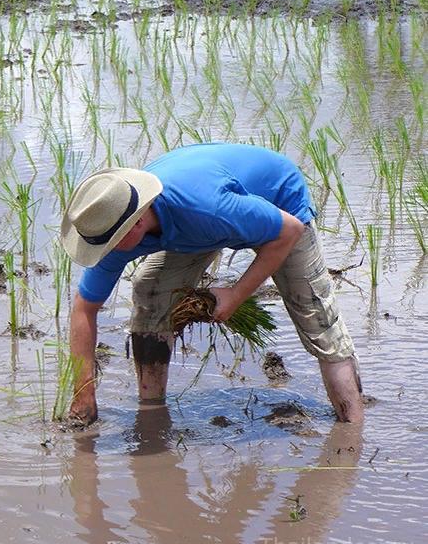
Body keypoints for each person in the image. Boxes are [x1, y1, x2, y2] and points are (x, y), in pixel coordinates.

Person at [60, 142, 364, 424]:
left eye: (110, 244)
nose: (104, 253)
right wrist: (83, 396)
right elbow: (84, 309)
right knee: (150, 293)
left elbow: (289, 230)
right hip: (197, 225)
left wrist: (236, 295)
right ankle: (151, 416)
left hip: (279, 206)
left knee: (319, 324)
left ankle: (352, 429)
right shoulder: (111, 226)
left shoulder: (205, 207)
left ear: (137, 223)